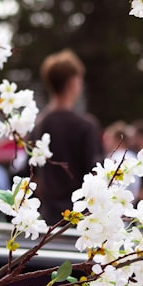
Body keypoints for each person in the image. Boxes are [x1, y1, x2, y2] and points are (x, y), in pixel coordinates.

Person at [29, 49, 103, 223]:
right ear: (73, 82)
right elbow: (96, 177)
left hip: (48, 221)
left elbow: (34, 178)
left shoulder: (38, 125)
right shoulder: (86, 126)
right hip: (82, 222)